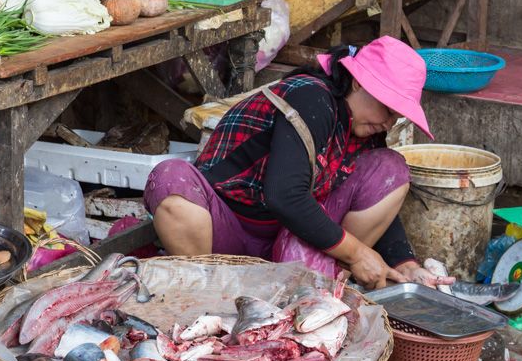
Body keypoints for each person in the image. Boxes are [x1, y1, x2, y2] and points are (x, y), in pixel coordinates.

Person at [144, 37, 455, 291]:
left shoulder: (363, 127)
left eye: (395, 115)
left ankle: (319, 281)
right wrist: (358, 254)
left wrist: (406, 267)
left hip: (289, 241)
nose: (388, 122)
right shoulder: (311, 98)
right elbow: (284, 195)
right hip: (225, 233)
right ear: (358, 82)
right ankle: (207, 293)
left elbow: (375, 196)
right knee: (172, 178)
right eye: (387, 108)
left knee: (391, 168)